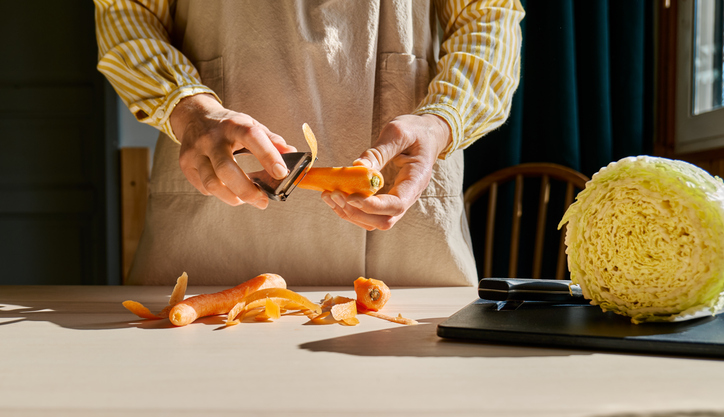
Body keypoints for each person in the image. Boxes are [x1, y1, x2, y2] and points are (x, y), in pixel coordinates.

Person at [94, 0, 524, 286]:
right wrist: (190, 109)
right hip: (210, 235)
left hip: (407, 243)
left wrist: (441, 121)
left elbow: (489, 15)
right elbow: (125, 12)